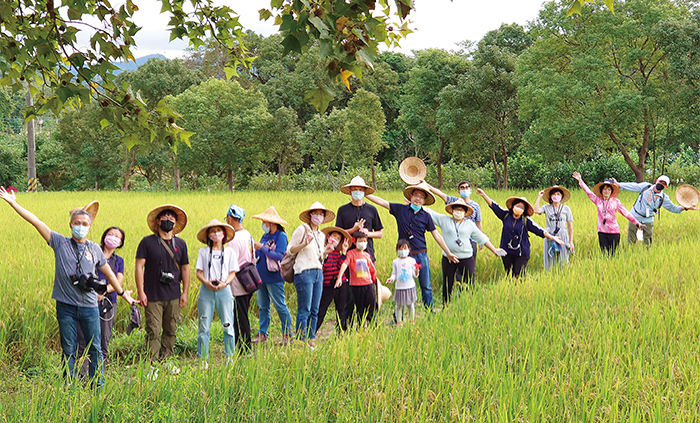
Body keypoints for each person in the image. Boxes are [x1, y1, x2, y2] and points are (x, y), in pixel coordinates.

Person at [0, 188, 135, 388]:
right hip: (66, 308)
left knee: (95, 348)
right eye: (77, 223)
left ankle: (97, 384)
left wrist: (124, 295)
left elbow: (109, 274)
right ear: (70, 224)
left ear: (90, 227)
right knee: (69, 349)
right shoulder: (59, 242)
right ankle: (69, 386)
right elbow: (36, 221)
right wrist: (13, 203)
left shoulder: (95, 249)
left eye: (84, 224)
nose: (80, 226)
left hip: (90, 307)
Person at [366, 183, 458, 309]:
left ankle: (429, 311)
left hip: (421, 255)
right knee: (402, 286)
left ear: (424, 200)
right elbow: (382, 202)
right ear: (410, 196)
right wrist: (365, 193)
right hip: (404, 256)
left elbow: (436, 235)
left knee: (426, 286)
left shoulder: (426, 216)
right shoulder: (400, 209)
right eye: (415, 195)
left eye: (421, 196)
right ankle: (398, 317)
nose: (418, 198)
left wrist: (448, 252)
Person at [135, 204, 190, 368]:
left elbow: (185, 268)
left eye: (171, 218)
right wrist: (141, 292)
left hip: (173, 294)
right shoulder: (147, 242)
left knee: (171, 328)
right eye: (165, 218)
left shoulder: (181, 244)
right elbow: (139, 266)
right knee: (153, 330)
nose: (168, 220)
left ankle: (166, 360)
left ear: (175, 223)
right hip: (152, 295)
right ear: (158, 221)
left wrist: (185, 292)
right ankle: (151, 364)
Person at [425, 198, 505, 302]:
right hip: (448, 257)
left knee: (469, 283)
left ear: (465, 212)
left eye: (461, 209)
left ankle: (468, 303)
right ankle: (446, 305)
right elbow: (429, 212)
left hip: (466, 258)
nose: (459, 211)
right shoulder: (444, 220)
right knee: (447, 282)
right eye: (456, 209)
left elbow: (482, 238)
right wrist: (415, 204)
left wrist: (494, 250)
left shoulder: (469, 224)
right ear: (452, 210)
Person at [476, 189, 564, 278]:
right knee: (509, 275)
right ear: (513, 206)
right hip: (506, 252)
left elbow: (540, 230)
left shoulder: (526, 220)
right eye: (517, 206)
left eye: (522, 207)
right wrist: (483, 195)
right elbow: (494, 206)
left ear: (524, 210)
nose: (519, 208)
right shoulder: (505, 215)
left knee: (519, 275)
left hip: (521, 253)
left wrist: (553, 238)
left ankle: (520, 290)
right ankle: (511, 290)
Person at [77, 226, 126, 373]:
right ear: (104, 236)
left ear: (120, 243)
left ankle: (99, 374)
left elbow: (118, 281)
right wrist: (93, 292)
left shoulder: (119, 261)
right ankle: (81, 377)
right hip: (86, 301)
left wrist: (103, 292)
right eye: (110, 234)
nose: (113, 237)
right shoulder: (91, 253)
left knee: (103, 340)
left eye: (117, 236)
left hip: (108, 304)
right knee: (83, 340)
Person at [335, 176, 384, 325]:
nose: (357, 192)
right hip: (349, 256)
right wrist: (354, 229)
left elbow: (380, 233)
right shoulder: (343, 210)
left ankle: (369, 323)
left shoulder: (371, 209)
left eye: (360, 190)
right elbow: (339, 233)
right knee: (350, 292)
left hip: (366, 256)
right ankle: (346, 324)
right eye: (355, 189)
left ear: (364, 191)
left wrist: (368, 233)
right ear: (350, 191)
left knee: (368, 291)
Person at [288, 202, 334, 348]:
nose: (318, 216)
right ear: (310, 215)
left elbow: (320, 257)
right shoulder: (302, 229)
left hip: (318, 272)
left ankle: (311, 337)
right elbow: (290, 250)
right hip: (304, 272)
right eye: (316, 213)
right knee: (305, 308)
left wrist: (326, 251)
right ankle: (301, 340)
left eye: (321, 214)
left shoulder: (321, 235)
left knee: (315, 308)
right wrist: (304, 243)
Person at [195, 219, 238, 366]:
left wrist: (224, 283)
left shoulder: (230, 251)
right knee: (204, 326)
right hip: (206, 291)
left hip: (224, 290)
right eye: (212, 231)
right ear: (208, 235)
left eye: (218, 230)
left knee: (228, 324)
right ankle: (203, 359)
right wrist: (206, 282)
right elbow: (198, 272)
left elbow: (232, 272)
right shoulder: (204, 251)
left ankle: (229, 357)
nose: (215, 234)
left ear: (224, 233)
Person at [252, 206, 294, 346]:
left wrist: (261, 248)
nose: (263, 224)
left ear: (272, 223)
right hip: (261, 276)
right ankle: (262, 333)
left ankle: (288, 334)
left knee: (280, 305)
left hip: (275, 277)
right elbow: (260, 254)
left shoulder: (281, 236)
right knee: (263, 306)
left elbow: (279, 255)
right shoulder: (266, 236)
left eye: (265, 221)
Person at [611, 175, 696, 245]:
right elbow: (633, 186)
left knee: (648, 240)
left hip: (648, 219)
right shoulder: (646, 187)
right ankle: (630, 252)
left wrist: (685, 207)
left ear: (666, 187)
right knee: (631, 237)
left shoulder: (664, 197)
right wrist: (618, 184)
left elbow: (672, 208)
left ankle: (646, 255)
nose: (661, 184)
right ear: (656, 181)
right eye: (660, 182)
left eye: (664, 184)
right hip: (635, 216)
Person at [572, 172, 643, 254]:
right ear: (601, 191)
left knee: (612, 254)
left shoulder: (616, 202)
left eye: (609, 189)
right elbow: (588, 192)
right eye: (605, 189)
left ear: (611, 192)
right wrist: (580, 180)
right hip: (602, 232)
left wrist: (637, 223)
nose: (606, 191)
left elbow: (626, 213)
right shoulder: (597, 200)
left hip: (614, 232)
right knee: (604, 254)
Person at [423, 180, 483, 264]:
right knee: (454, 263)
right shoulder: (454, 201)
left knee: (470, 266)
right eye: (462, 188)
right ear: (459, 191)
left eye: (466, 187)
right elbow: (440, 194)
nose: (464, 189)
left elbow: (478, 222)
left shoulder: (476, 205)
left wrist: (480, 239)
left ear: (470, 190)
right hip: (454, 239)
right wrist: (427, 185)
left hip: (471, 240)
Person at [225, 204, 255, 352]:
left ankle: (244, 347)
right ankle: (244, 345)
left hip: (237, 283)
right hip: (250, 280)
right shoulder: (248, 235)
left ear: (231, 219)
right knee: (244, 313)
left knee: (239, 316)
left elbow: (231, 264)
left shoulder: (234, 239)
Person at [335, 232, 378, 327]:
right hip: (356, 287)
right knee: (360, 309)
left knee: (371, 308)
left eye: (364, 241)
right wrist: (339, 277)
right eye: (360, 241)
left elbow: (372, 270)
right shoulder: (351, 254)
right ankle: (361, 328)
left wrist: (376, 283)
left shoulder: (367, 255)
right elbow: (345, 264)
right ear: (355, 242)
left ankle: (373, 328)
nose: (362, 243)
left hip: (368, 285)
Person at [317, 226, 351, 332]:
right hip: (327, 285)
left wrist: (344, 253)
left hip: (341, 284)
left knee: (341, 309)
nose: (335, 240)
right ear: (328, 236)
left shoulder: (337, 252)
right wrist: (325, 253)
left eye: (338, 239)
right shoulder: (321, 250)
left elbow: (341, 266)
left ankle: (341, 333)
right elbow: (320, 267)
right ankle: (311, 333)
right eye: (334, 236)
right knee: (322, 310)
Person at [534, 186, 575, 270]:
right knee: (550, 258)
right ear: (550, 197)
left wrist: (570, 241)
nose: (556, 196)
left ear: (562, 196)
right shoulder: (546, 207)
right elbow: (536, 210)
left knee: (563, 259)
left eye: (558, 194)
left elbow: (570, 226)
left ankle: (563, 277)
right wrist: (539, 197)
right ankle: (550, 276)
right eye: (554, 194)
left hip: (563, 235)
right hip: (550, 235)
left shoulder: (566, 209)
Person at [385, 239, 419, 327]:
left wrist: (417, 270)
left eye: (405, 248)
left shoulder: (412, 261)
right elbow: (394, 274)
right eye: (400, 248)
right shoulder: (395, 262)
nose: (403, 250)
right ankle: (399, 322)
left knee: (410, 305)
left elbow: (415, 275)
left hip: (410, 286)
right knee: (399, 305)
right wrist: (391, 279)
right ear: (397, 250)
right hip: (399, 287)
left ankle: (412, 321)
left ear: (409, 249)